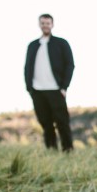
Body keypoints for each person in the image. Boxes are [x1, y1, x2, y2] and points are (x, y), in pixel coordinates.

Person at [24, 14, 75, 151]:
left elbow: (70, 65)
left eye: (47, 23)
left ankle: (68, 150)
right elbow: (27, 67)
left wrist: (64, 86)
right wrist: (29, 88)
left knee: (62, 122)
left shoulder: (61, 43)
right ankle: (51, 149)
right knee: (45, 123)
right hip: (37, 90)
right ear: (39, 24)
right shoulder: (33, 45)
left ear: (52, 24)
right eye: (43, 23)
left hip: (56, 89)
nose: (45, 25)